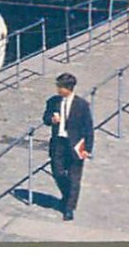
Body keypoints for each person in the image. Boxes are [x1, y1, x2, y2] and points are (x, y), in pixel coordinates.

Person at [42, 72, 93, 221]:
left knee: (74, 177)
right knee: (57, 172)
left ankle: (69, 208)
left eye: (60, 87)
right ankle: (67, 195)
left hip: (76, 144)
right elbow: (45, 118)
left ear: (68, 88)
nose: (58, 90)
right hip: (58, 142)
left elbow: (88, 128)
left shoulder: (82, 105)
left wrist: (87, 149)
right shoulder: (53, 102)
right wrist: (51, 119)